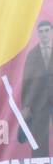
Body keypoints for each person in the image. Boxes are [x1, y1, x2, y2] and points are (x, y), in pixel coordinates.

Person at [20, 20, 53, 153]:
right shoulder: (32, 55)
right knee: (39, 138)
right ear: (37, 34)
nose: (44, 34)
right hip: (39, 102)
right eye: (41, 32)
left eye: (46, 30)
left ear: (51, 32)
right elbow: (26, 81)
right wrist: (26, 106)